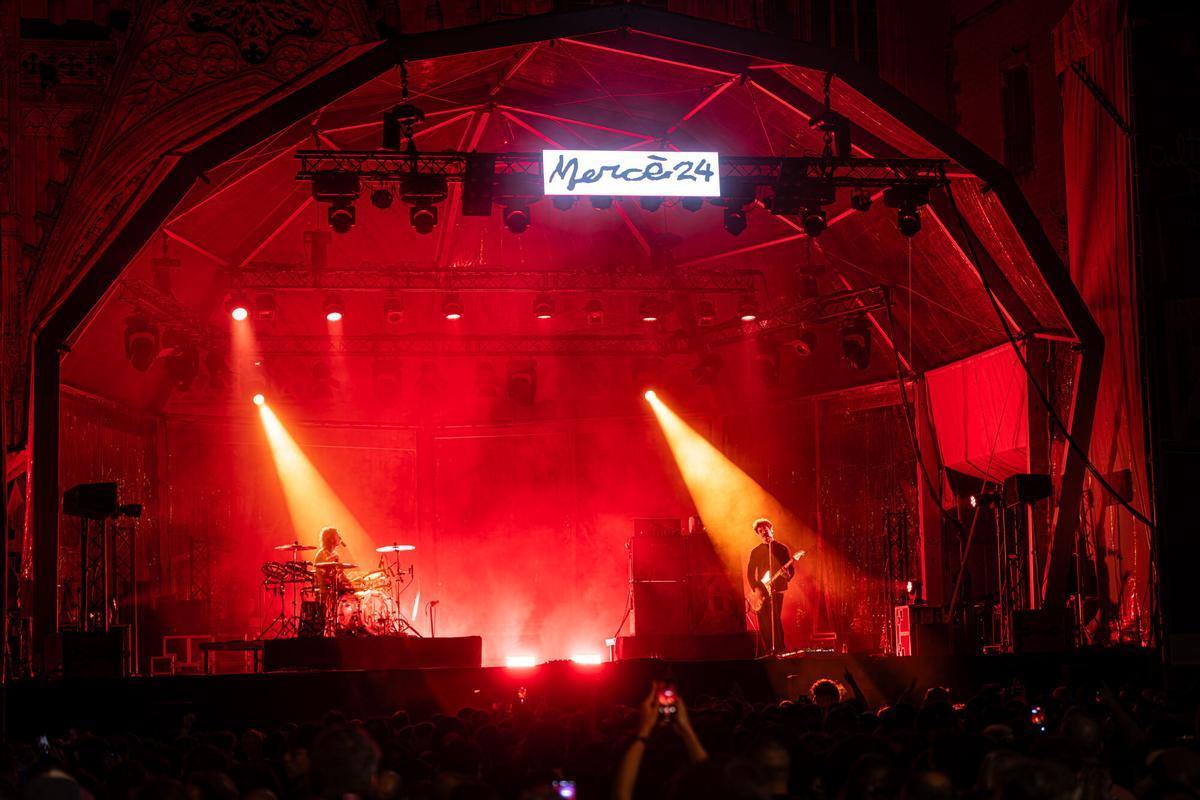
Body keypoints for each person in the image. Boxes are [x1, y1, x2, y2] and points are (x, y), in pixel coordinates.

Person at [746, 518, 803, 656]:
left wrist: (786, 575)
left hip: (777, 589)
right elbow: (750, 572)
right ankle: (768, 649)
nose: (763, 532)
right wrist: (756, 588)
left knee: (774, 618)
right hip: (762, 590)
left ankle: (779, 648)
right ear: (758, 534)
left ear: (771, 529)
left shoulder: (781, 548)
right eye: (760, 531)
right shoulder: (756, 551)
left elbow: (791, 571)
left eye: (765, 529)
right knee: (763, 620)